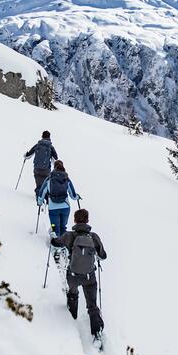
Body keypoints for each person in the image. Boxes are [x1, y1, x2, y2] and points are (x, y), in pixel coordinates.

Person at [50, 208, 107, 338]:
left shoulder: (69, 235)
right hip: (89, 277)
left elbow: (56, 243)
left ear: (75, 220)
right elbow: (103, 256)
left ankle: (71, 317)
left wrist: (52, 236)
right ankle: (97, 333)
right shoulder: (93, 237)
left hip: (73, 275)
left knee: (73, 294)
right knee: (92, 306)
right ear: (87, 220)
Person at [37, 160, 80, 237]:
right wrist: (77, 197)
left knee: (55, 227)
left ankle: (56, 243)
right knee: (63, 227)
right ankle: (63, 244)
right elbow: (73, 195)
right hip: (65, 208)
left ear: (54, 167)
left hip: (53, 208)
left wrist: (40, 202)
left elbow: (42, 192)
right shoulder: (66, 178)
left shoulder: (49, 178)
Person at [25, 130, 58, 197]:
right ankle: (45, 198)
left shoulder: (38, 145)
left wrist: (26, 155)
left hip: (37, 168)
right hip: (46, 169)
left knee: (38, 184)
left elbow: (28, 155)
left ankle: (38, 197)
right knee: (45, 184)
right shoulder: (50, 147)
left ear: (42, 136)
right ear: (49, 137)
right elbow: (56, 158)